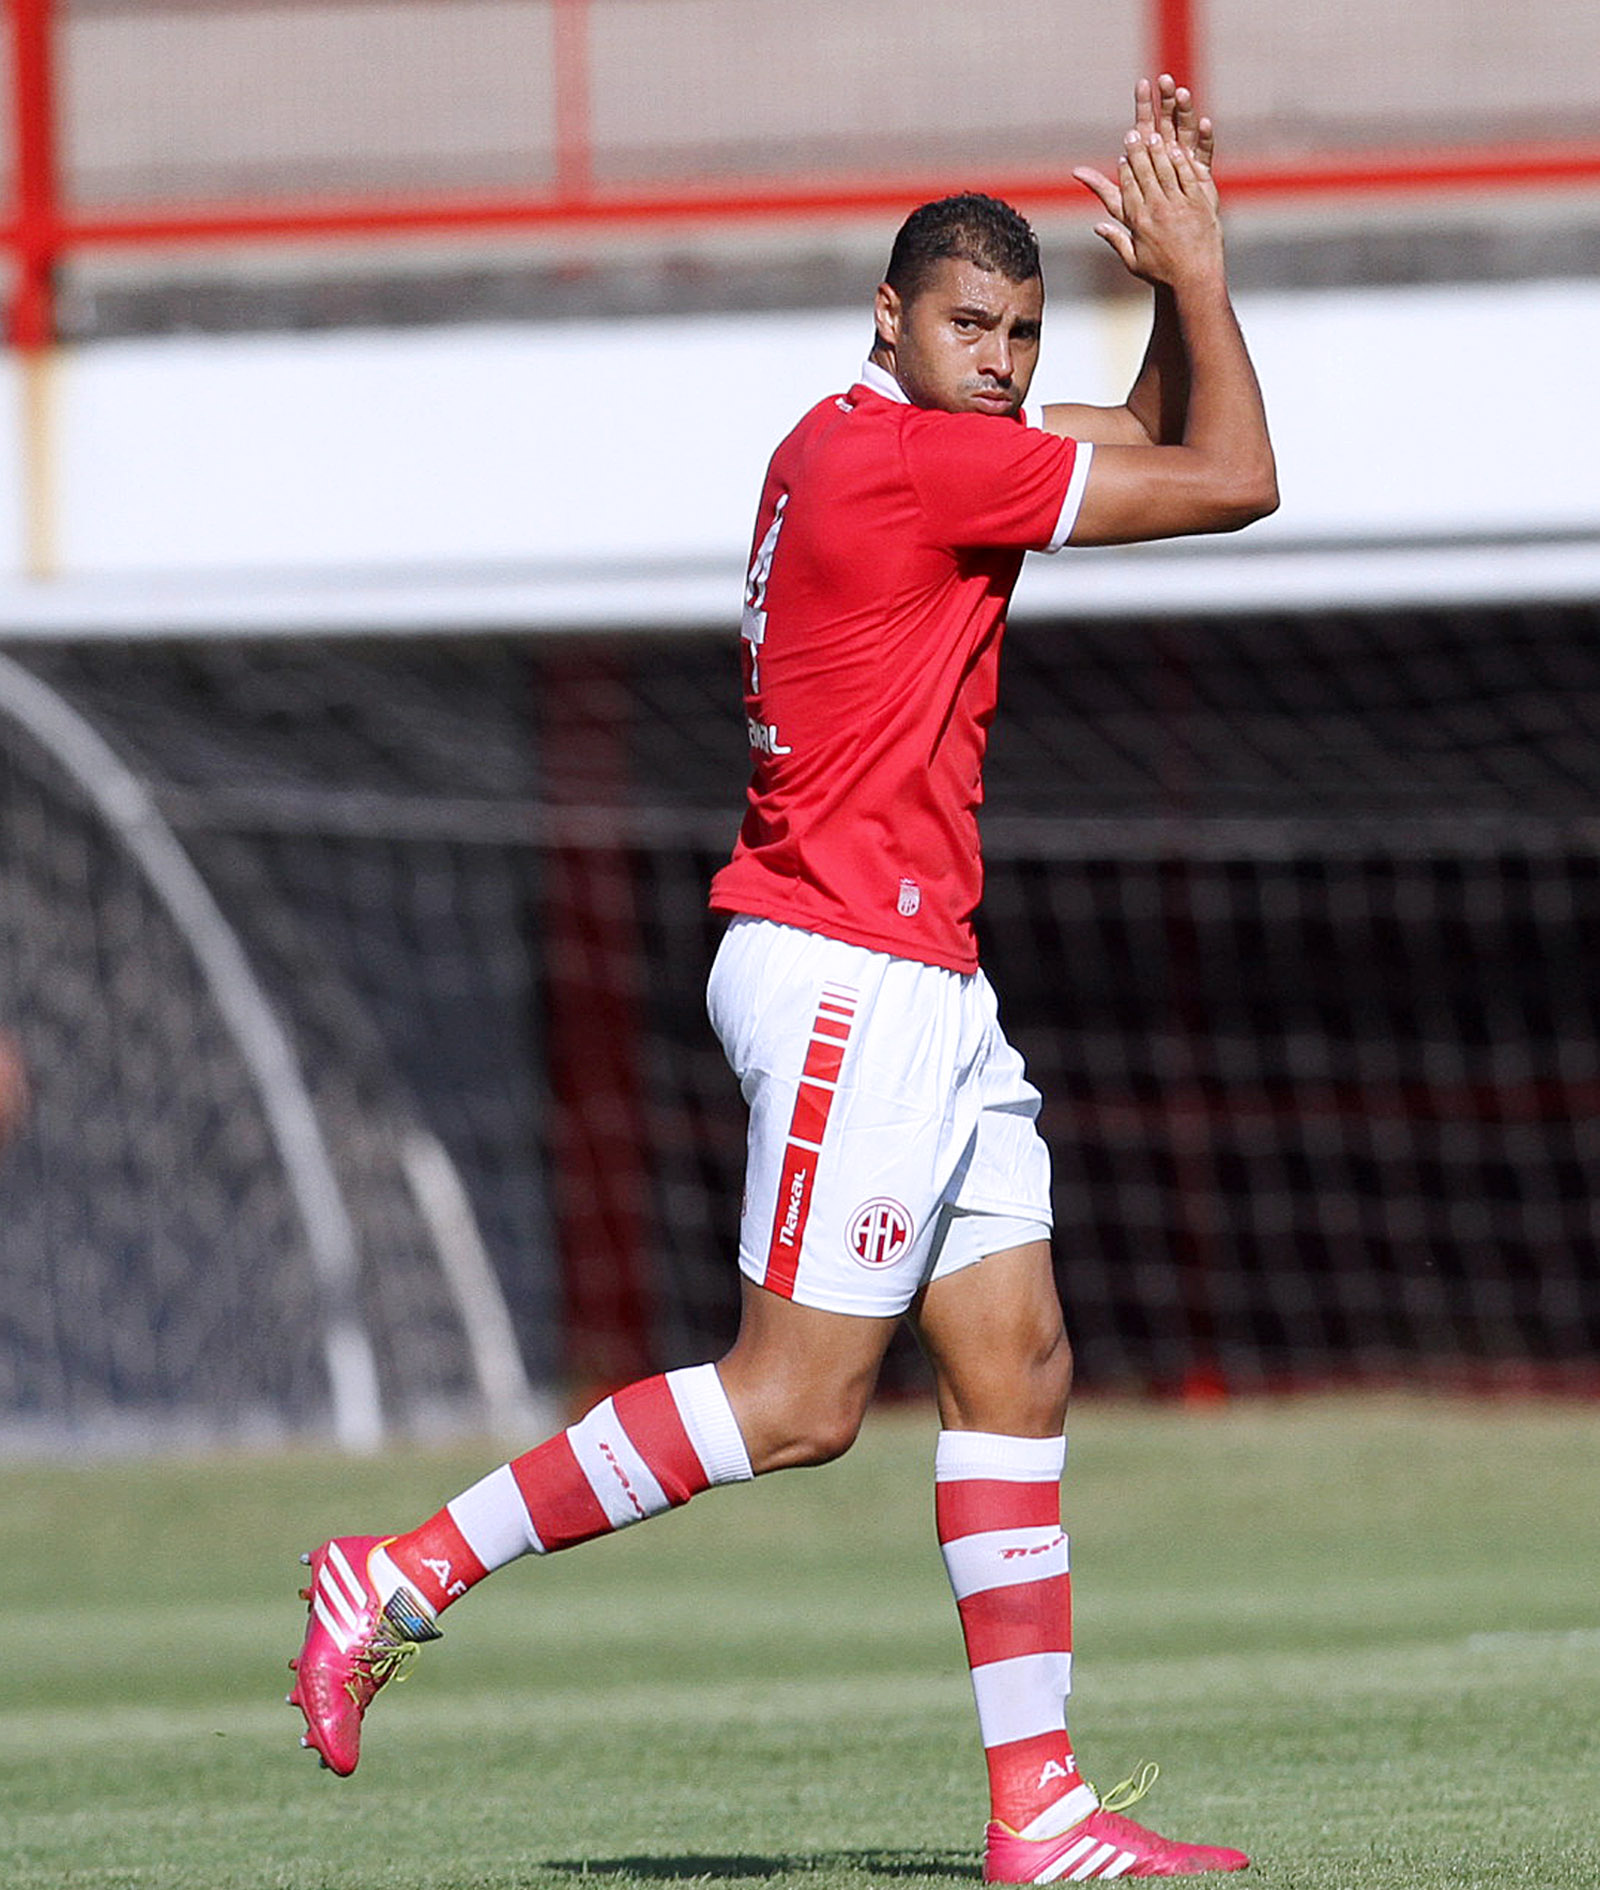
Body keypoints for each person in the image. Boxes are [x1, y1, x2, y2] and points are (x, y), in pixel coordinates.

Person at [290, 75, 1275, 1884]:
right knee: (799, 1399)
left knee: (1016, 1362)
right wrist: (1205, 275)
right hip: (847, 966)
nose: (997, 359)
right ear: (886, 319)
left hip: (916, 969)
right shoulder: (911, 457)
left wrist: (1153, 303)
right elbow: (1231, 478)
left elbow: (1132, 438)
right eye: (969, 326)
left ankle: (1038, 1811)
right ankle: (401, 1570)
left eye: (1020, 335)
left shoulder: (858, 435)